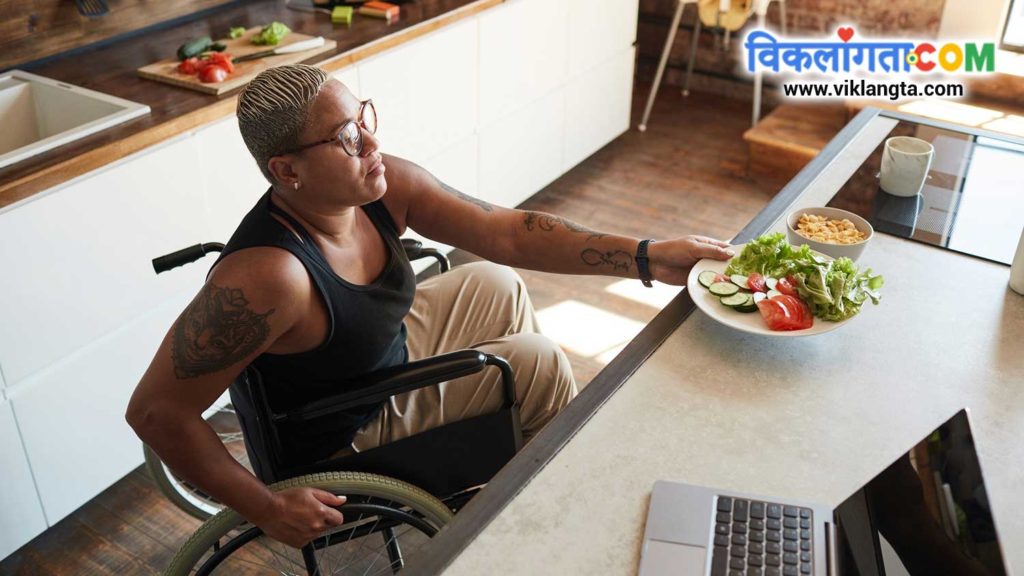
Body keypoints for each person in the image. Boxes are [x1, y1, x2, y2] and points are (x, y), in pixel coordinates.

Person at [126, 64, 734, 549]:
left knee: (495, 278)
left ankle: (504, 467)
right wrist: (264, 505)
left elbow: (511, 232)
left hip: (367, 354)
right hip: (339, 426)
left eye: (362, 116)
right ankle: (546, 518)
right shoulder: (270, 276)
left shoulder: (381, 186)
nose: (371, 140)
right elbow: (155, 412)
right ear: (287, 171)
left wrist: (648, 257)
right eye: (345, 137)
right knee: (536, 363)